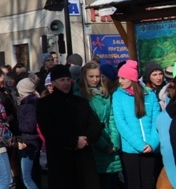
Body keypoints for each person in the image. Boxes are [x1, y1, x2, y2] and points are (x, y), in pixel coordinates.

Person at [36, 65, 102, 189]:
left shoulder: (81, 102)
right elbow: (49, 131)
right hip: (61, 160)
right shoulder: (44, 104)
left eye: (68, 79)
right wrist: (74, 141)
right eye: (62, 80)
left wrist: (85, 139)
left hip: (83, 160)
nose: (66, 83)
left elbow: (95, 126)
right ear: (54, 83)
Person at [112, 59, 160, 189]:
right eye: (119, 77)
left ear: (131, 78)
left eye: (123, 78)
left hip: (150, 147)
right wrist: (140, 145)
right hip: (130, 149)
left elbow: (157, 122)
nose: (120, 81)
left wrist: (151, 143)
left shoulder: (150, 95)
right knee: (133, 184)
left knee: (148, 183)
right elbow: (121, 123)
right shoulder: (118, 96)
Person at [78, 61, 122, 189]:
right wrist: (104, 145)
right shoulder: (82, 96)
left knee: (112, 181)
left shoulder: (105, 93)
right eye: (91, 76)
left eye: (98, 76)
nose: (95, 79)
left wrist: (114, 142)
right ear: (84, 77)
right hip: (94, 145)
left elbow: (112, 118)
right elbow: (87, 125)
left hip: (110, 140)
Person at [15, 75, 41, 189]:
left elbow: (30, 126)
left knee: (26, 177)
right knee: (26, 176)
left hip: (29, 142)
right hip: (29, 141)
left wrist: (16, 125)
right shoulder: (29, 102)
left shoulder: (29, 105)